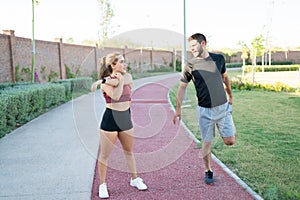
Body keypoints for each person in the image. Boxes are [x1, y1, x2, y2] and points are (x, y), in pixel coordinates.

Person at [173, 33, 236, 185]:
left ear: (203, 44)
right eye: (191, 47)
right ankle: (208, 171)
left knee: (230, 141)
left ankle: (228, 129)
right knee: (206, 143)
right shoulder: (190, 65)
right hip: (204, 111)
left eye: (194, 46)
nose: (192, 50)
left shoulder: (218, 59)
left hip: (222, 108)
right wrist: (178, 109)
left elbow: (225, 78)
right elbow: (182, 87)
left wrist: (230, 95)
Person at [91, 53, 147, 198]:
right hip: (110, 119)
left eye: (124, 61)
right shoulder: (106, 84)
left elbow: (118, 81)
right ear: (113, 65)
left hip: (126, 119)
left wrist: (104, 80)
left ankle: (134, 179)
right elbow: (115, 96)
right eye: (121, 62)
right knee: (104, 155)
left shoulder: (127, 77)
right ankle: (102, 185)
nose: (125, 64)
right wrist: (106, 81)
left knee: (129, 151)